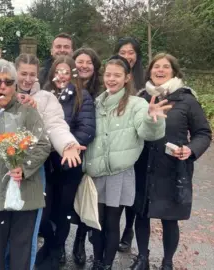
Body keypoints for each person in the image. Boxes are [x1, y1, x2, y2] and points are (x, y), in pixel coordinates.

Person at [84, 55, 170, 270]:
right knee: (96, 222)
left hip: (119, 173)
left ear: (127, 78)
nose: (111, 79)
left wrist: (153, 120)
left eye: (117, 75)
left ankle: (106, 264)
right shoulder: (96, 102)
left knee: (112, 222)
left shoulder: (136, 104)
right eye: (108, 74)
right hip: (96, 172)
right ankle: (96, 260)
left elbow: (146, 133)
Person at [130, 53, 211, 270]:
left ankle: (167, 262)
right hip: (142, 166)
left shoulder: (187, 100)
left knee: (169, 218)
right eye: (156, 67)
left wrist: (190, 149)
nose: (160, 70)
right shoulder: (141, 98)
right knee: (142, 214)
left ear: (174, 71)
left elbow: (203, 133)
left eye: (166, 67)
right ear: (150, 71)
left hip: (172, 168)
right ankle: (143, 258)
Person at [8, 53, 88, 269]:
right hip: (6, 167)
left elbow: (56, 125)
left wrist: (68, 145)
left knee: (38, 219)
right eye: (23, 73)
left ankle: (34, 259)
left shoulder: (46, 98)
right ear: (15, 72)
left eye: (31, 74)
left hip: (35, 166)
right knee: (8, 220)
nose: (27, 78)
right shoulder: (5, 92)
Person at [0, 59, 51, 270]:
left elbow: (43, 144)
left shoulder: (27, 111)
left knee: (21, 248)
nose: (3, 86)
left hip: (25, 191)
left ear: (15, 85)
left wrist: (24, 167)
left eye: (9, 82)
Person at [36, 55, 96, 270]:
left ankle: (57, 249)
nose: (61, 76)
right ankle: (51, 243)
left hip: (68, 163)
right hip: (44, 162)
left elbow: (87, 129)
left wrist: (67, 146)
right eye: (57, 71)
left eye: (66, 71)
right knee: (45, 211)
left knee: (62, 211)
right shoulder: (43, 96)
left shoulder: (82, 97)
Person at [113, 37, 147, 252]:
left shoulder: (144, 82)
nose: (127, 55)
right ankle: (111, 229)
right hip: (116, 140)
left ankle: (129, 229)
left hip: (138, 141)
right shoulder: (112, 75)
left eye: (131, 52)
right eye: (123, 51)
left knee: (134, 188)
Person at [69, 47, 102, 266]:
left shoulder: (101, 89)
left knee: (89, 198)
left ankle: (80, 240)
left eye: (88, 62)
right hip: (72, 150)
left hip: (95, 152)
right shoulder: (65, 86)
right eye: (79, 61)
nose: (83, 65)